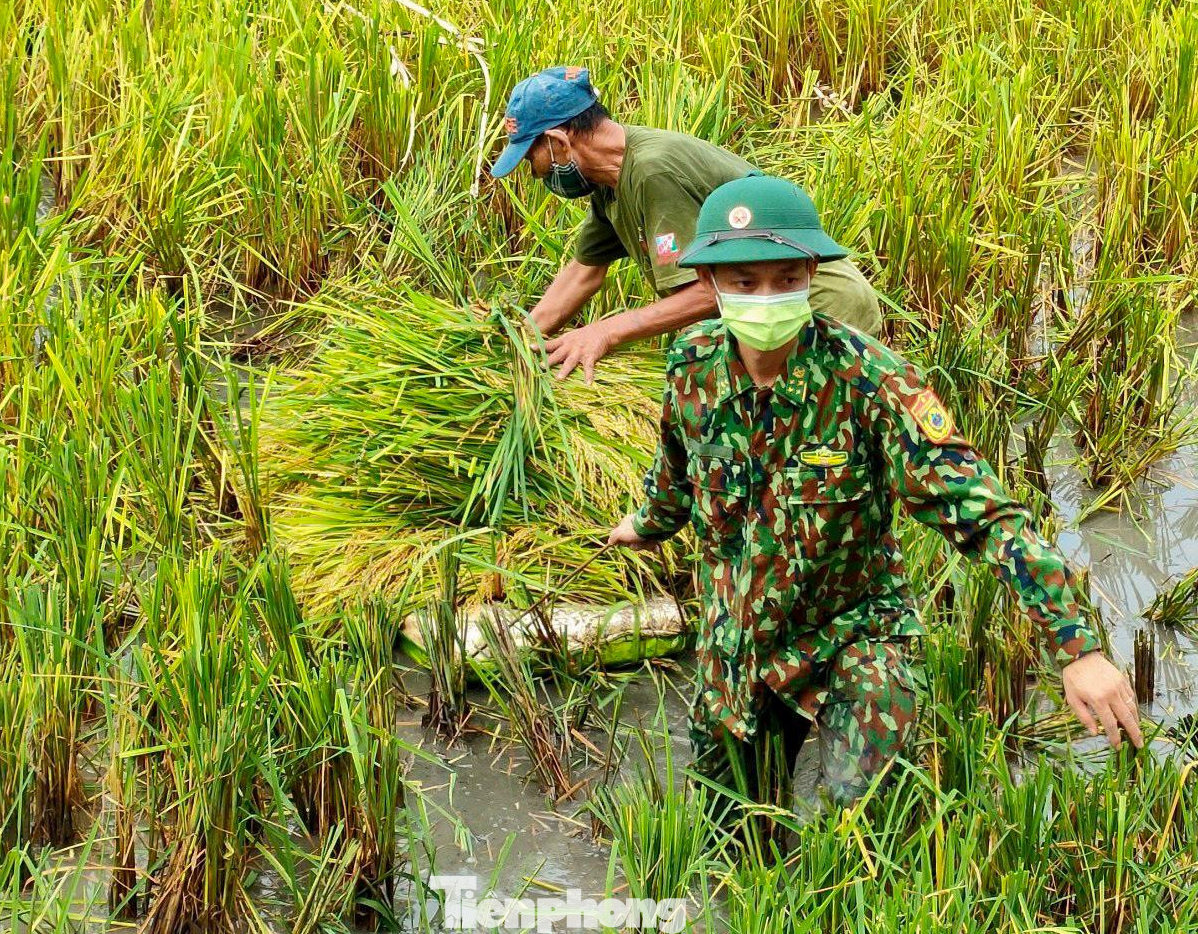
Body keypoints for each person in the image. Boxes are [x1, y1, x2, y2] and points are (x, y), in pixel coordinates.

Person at [605, 174, 1144, 809]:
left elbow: (981, 509)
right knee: (733, 831)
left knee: (856, 817)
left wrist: (1076, 646)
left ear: (811, 274)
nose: (767, 297)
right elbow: (677, 463)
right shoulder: (691, 365)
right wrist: (647, 523)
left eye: (785, 279)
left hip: (855, 632)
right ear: (711, 285)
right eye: (745, 282)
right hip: (738, 640)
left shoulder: (869, 379)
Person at [489, 67, 882, 385]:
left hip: (808, 306)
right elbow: (583, 273)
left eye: (531, 159)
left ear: (559, 141)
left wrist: (604, 332)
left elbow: (713, 291)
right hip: (757, 316)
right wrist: (521, 336)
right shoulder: (609, 183)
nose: (536, 173)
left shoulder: (652, 170)